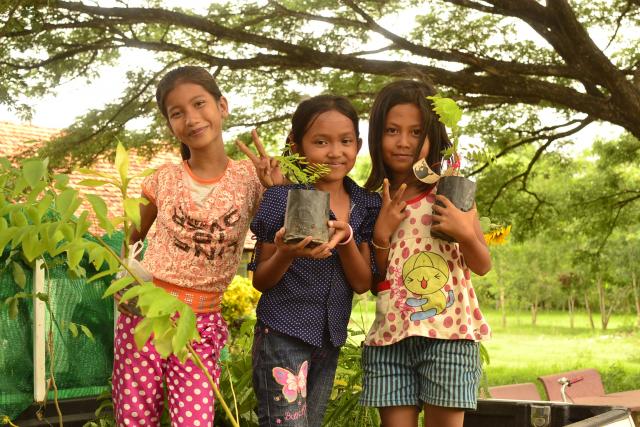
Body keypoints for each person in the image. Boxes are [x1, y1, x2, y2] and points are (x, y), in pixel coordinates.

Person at [112, 65, 282, 427]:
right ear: (171, 125)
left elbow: (276, 231)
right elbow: (129, 238)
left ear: (222, 106)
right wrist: (125, 275)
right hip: (145, 317)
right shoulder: (163, 179)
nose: (191, 118)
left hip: (201, 322)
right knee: (134, 417)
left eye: (199, 104)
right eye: (177, 113)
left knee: (194, 420)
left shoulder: (251, 179)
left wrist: (276, 189)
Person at [359, 79, 492, 427]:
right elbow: (374, 281)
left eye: (416, 132)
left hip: (448, 337)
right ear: (376, 136)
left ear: (433, 136)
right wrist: (381, 235)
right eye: (392, 130)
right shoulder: (372, 202)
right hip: (390, 341)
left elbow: (482, 264)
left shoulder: (450, 192)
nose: (403, 142)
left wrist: (465, 232)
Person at [249, 95, 381, 427]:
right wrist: (286, 253)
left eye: (345, 141)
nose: (335, 152)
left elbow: (363, 283)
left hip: (329, 336)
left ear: (358, 144)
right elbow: (261, 280)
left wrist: (347, 237)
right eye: (321, 142)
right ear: (296, 145)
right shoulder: (282, 197)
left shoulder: (365, 204)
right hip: (282, 332)